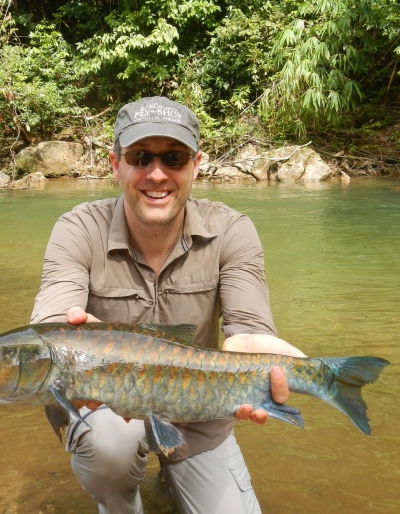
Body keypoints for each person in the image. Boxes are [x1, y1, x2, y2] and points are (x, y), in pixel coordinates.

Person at [31, 96, 306, 514]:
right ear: (115, 164)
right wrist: (70, 347)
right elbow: (51, 320)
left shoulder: (232, 231)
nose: (156, 174)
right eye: (140, 157)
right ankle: (120, 503)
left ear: (196, 164)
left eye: (173, 158)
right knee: (111, 448)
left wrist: (258, 349)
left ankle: (171, 473)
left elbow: (248, 326)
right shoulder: (78, 229)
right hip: (107, 409)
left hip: (197, 415)